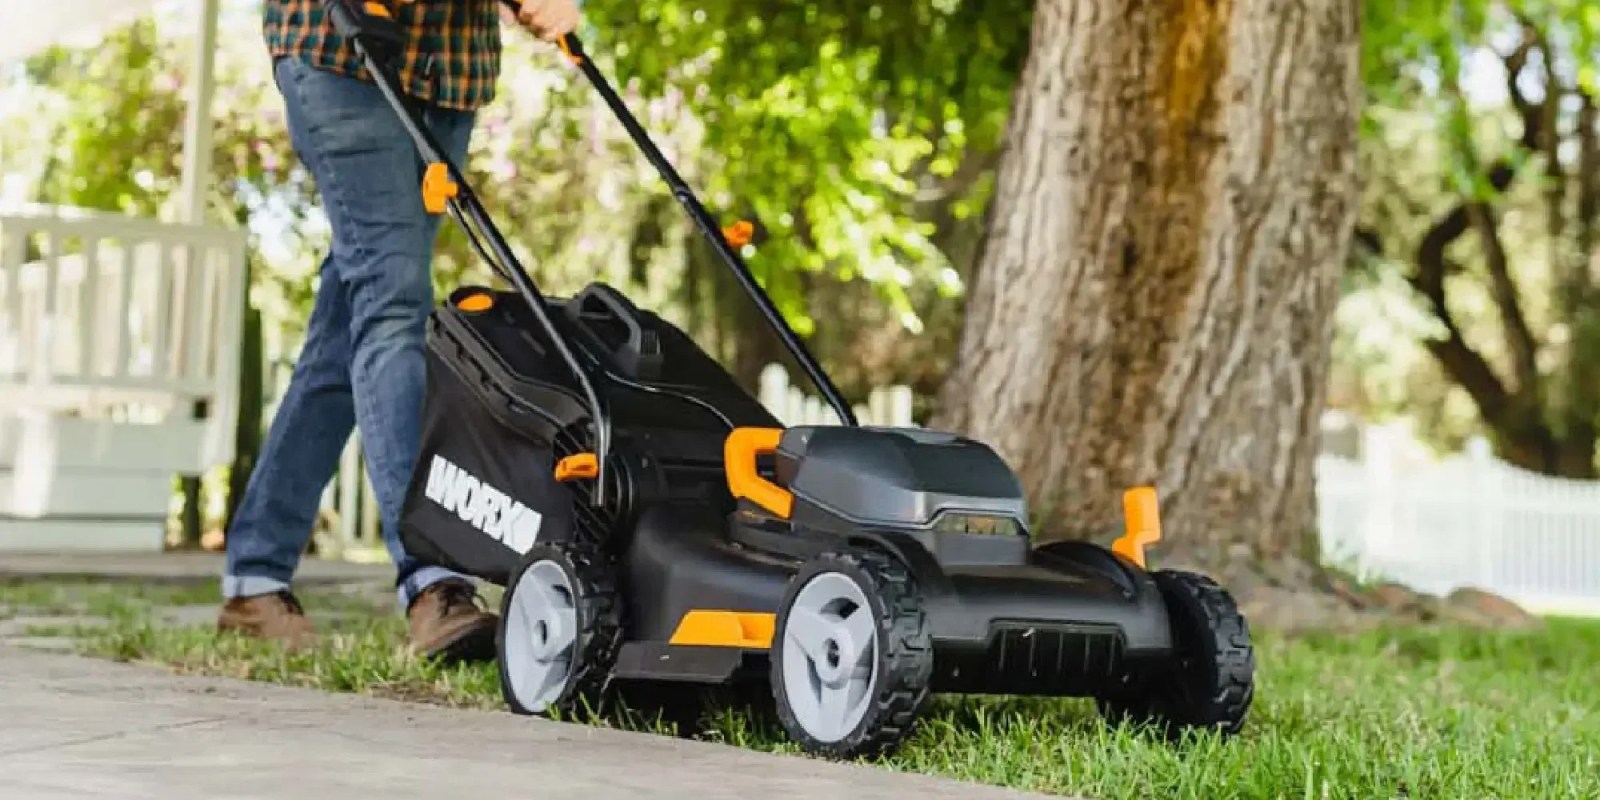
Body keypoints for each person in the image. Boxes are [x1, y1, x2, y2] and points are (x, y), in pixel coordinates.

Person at [216, 0, 581, 661]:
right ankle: (431, 577)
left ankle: (256, 579)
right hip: (341, 51)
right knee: (392, 303)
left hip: (447, 73)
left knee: (349, 325)